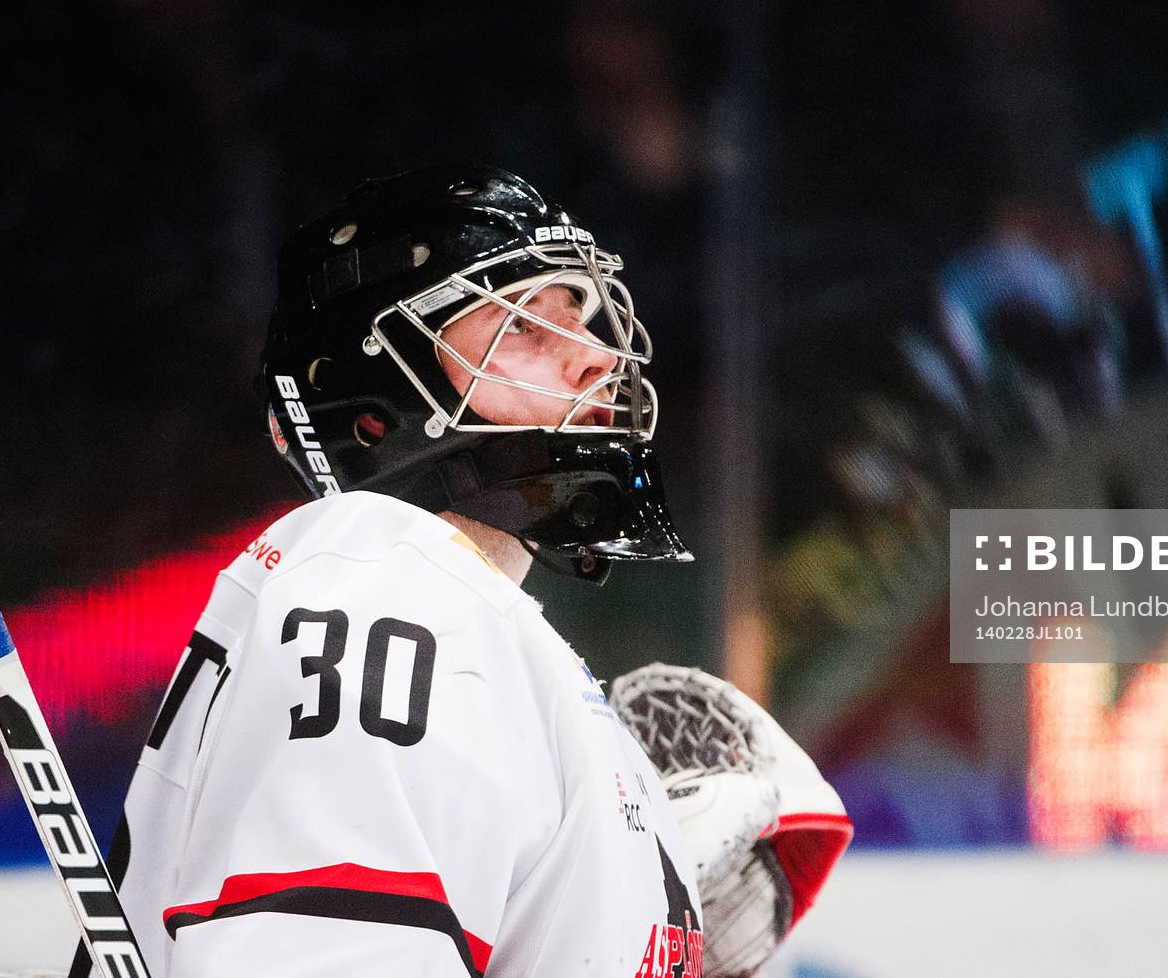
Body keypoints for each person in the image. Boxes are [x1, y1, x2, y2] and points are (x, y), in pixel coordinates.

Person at [89, 165, 847, 977]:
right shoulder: (378, 582)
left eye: (584, 318)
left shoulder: (468, 626)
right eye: (523, 326)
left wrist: (595, 893)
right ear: (376, 409)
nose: (596, 358)